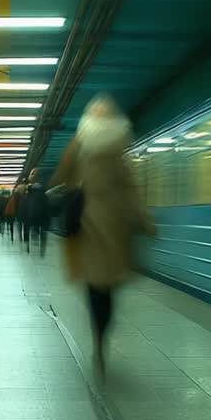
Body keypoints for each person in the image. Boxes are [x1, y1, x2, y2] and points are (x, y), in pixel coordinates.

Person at [51, 94, 152, 381]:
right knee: (107, 287)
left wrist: (66, 185)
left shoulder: (78, 144)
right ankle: (102, 334)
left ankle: (98, 337)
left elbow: (60, 177)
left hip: (88, 226)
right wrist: (144, 221)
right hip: (115, 227)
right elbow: (131, 188)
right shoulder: (121, 148)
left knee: (95, 285)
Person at [23, 169, 51, 256]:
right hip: (42, 217)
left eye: (32, 174)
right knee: (43, 233)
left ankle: (28, 248)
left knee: (28, 231)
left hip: (30, 217)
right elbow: (47, 206)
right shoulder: (44, 193)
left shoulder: (28, 193)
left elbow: (25, 206)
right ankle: (42, 251)